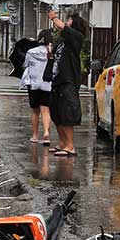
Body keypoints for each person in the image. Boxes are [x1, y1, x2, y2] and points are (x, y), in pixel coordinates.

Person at [47, 11, 87, 157]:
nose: (67, 21)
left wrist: (53, 17)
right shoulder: (63, 42)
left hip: (68, 80)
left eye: (69, 19)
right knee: (56, 112)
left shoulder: (77, 38)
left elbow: (62, 27)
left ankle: (70, 146)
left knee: (67, 113)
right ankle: (62, 143)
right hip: (57, 79)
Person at [20, 30, 53, 145]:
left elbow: (25, 65)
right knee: (46, 111)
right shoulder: (51, 52)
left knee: (35, 111)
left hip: (34, 84)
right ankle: (46, 134)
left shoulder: (31, 52)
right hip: (47, 84)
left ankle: (34, 135)